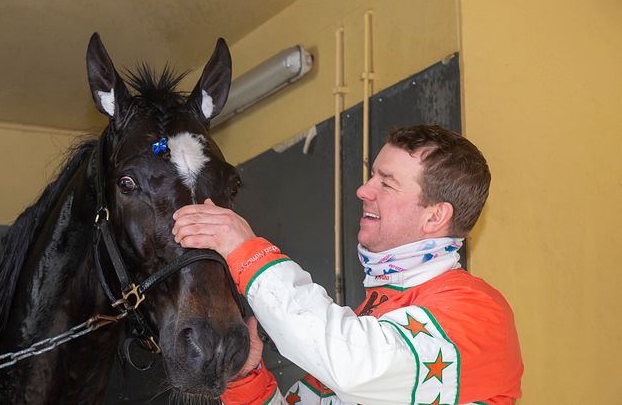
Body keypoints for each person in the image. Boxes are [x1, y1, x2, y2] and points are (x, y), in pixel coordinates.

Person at [172, 125, 523, 405]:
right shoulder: (373, 320)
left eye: (386, 183)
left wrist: (246, 250)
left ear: (435, 216)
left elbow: (357, 368)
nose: (364, 190)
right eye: (372, 176)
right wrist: (246, 380)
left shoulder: (477, 314)